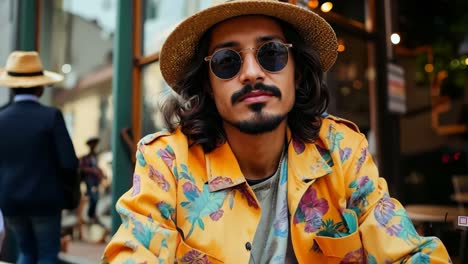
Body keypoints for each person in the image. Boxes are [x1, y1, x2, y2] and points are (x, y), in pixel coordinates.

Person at [103, 0, 451, 263]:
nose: (252, 73)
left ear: (296, 72)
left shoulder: (341, 149)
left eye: (272, 54)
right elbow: (132, 252)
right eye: (227, 61)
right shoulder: (166, 160)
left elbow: (407, 250)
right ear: (208, 85)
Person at [0, 51, 78, 263]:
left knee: (26, 252)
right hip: (45, 201)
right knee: (46, 254)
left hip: (10, 203)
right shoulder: (51, 116)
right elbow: (69, 163)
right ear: (40, 86)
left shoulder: (1, 118)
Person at [80, 137, 105, 222]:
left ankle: (92, 214)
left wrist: (100, 173)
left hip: (95, 180)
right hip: (89, 180)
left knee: (95, 197)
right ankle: (90, 215)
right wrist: (93, 171)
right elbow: (82, 168)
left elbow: (97, 167)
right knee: (93, 197)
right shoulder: (85, 158)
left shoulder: (95, 156)